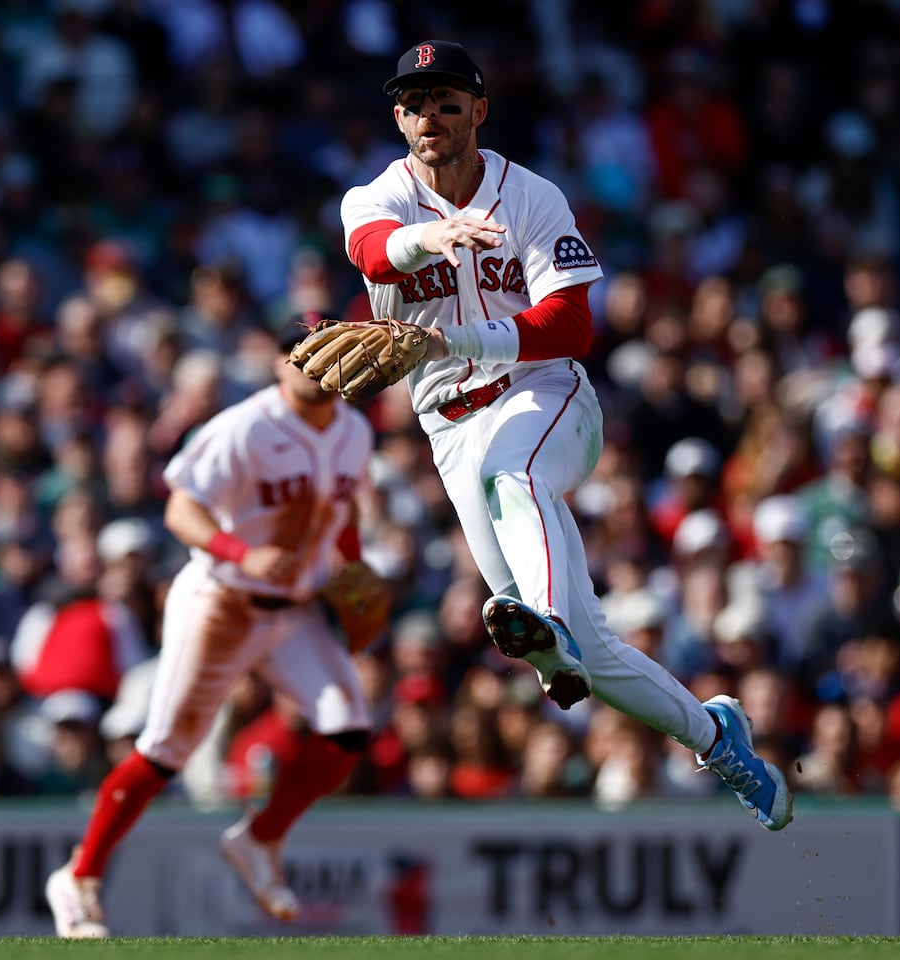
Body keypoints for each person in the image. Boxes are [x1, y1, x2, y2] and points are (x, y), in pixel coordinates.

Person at [337, 40, 791, 831]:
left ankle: (546, 634)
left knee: (517, 481)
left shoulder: (533, 198)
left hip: (544, 397)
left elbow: (573, 325)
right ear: (398, 116)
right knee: (585, 643)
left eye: (448, 99)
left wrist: (462, 341)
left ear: (479, 110)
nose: (430, 114)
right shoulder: (377, 198)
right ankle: (718, 737)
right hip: (450, 431)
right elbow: (370, 247)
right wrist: (427, 242)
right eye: (414, 101)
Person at [44, 322, 377, 936]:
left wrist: (354, 576)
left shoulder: (355, 430)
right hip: (222, 599)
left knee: (348, 729)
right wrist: (238, 552)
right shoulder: (244, 426)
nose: (323, 364)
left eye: (335, 350)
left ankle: (260, 839)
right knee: (167, 749)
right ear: (279, 363)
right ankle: (80, 875)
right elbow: (181, 508)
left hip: (296, 609)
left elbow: (343, 512)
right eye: (308, 353)